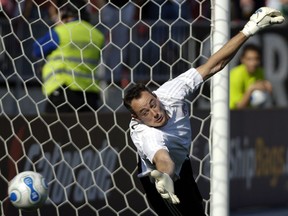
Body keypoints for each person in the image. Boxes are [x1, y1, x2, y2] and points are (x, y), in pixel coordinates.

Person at [123, 7, 284, 216]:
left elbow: (213, 65)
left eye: (152, 104)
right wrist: (164, 177)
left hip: (183, 167)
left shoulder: (171, 92)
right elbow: (163, 159)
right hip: (160, 180)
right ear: (136, 118)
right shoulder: (145, 133)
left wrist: (250, 29)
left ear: (156, 96)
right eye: (145, 112)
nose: (154, 113)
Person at [32, 1, 105, 113]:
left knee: (53, 129)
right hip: (90, 95)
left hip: (64, 91)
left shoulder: (61, 32)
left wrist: (59, 25)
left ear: (64, 15)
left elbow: (36, 49)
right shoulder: (97, 35)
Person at [229, 44, 272, 109]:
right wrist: (251, 89)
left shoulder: (260, 72)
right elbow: (239, 107)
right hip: (233, 114)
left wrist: (267, 88)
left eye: (256, 59)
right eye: (249, 59)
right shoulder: (235, 75)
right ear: (242, 59)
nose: (253, 63)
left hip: (251, 112)